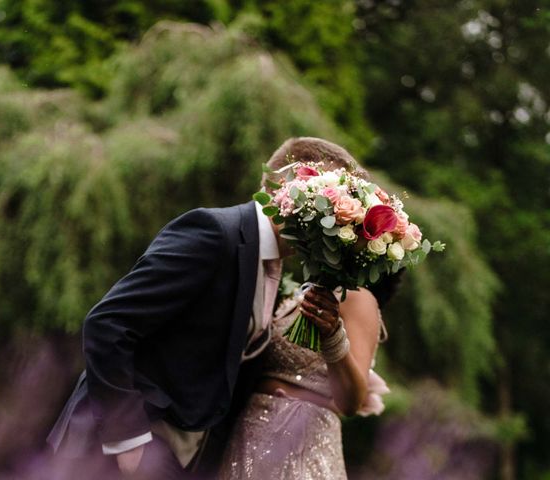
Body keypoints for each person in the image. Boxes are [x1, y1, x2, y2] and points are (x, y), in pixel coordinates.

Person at [46, 137, 366, 479]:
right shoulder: (215, 233)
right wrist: (130, 442)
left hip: (177, 455)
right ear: (289, 190)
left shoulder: (268, 264)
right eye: (331, 203)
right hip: (119, 444)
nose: (336, 223)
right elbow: (107, 323)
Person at [217, 149, 395, 479]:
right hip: (250, 433)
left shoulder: (358, 299)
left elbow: (352, 402)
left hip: (303, 444)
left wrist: (332, 336)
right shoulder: (293, 290)